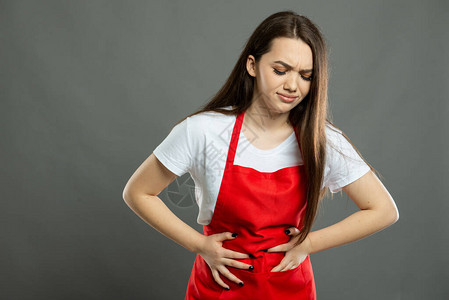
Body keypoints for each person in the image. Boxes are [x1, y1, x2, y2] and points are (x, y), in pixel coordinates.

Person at [122, 10, 399, 299]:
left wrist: (308, 244)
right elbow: (138, 192)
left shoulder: (322, 140)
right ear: (252, 65)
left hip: (291, 288)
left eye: (306, 76)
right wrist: (198, 244)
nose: (293, 85)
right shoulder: (203, 131)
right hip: (218, 290)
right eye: (280, 70)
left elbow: (383, 210)